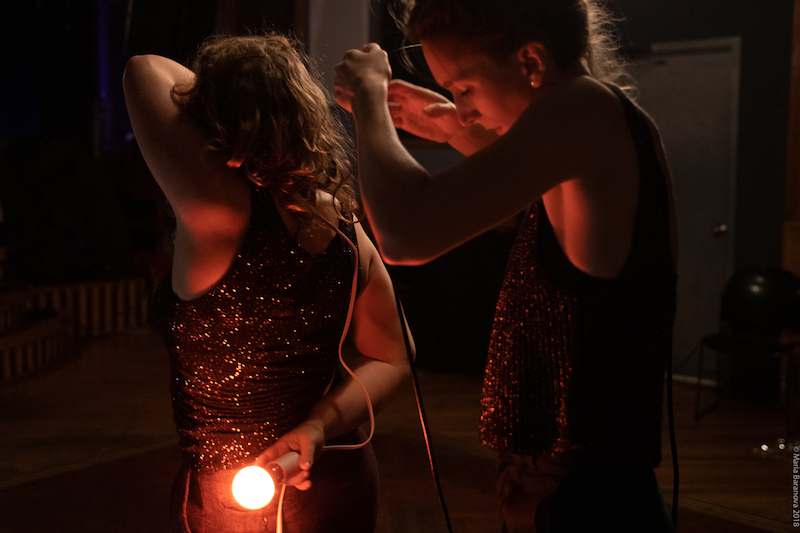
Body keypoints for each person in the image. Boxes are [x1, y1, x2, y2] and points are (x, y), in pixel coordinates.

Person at [334, 0, 678, 531]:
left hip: (592, 500)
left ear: (531, 63)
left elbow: (405, 232)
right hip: (570, 489)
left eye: (464, 87)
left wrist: (369, 102)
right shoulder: (595, 123)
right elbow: (520, 169)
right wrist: (449, 124)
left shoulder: (584, 109)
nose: (463, 107)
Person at [123, 32, 412, 533]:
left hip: (231, 506)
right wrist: (319, 427)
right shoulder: (345, 227)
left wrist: (228, 103)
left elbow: (144, 69)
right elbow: (394, 355)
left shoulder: (216, 211)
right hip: (338, 478)